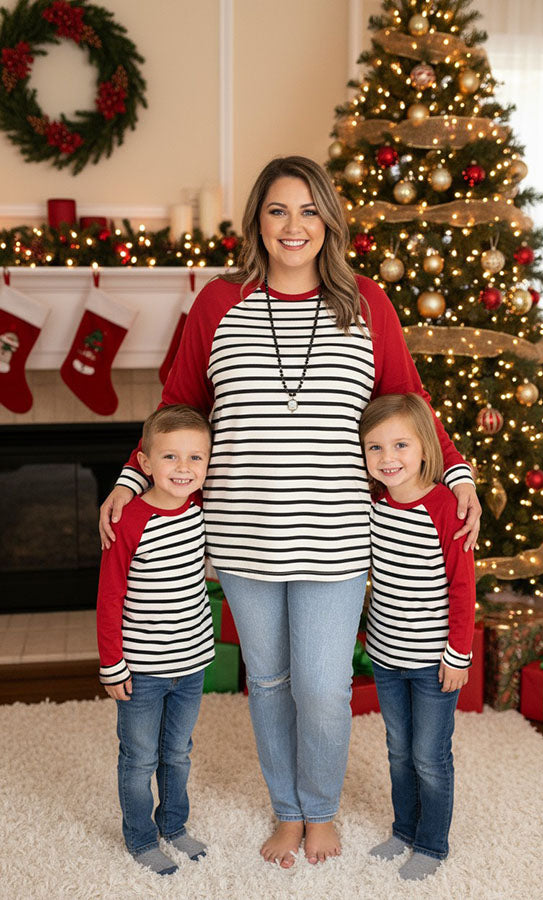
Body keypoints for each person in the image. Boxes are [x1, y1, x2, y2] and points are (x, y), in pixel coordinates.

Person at [99, 155, 481, 869]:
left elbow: (410, 400)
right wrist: (130, 478)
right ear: (258, 221)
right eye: (278, 210)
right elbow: (179, 406)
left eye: (309, 210)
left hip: (337, 538)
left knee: (323, 688)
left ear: (329, 221)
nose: (293, 225)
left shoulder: (366, 303)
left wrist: (455, 472)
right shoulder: (218, 302)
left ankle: (321, 809)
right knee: (270, 683)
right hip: (241, 537)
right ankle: (287, 810)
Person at [359, 393, 476, 882]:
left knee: (430, 755)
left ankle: (431, 843)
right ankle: (404, 830)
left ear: (425, 447)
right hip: (386, 657)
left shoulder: (446, 508)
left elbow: (463, 587)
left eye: (401, 445)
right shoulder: (373, 506)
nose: (388, 458)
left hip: (434, 662)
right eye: (375, 447)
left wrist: (458, 654)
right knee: (399, 750)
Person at [97, 404, 214, 876]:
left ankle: (173, 825)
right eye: (170, 457)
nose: (184, 468)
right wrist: (112, 664)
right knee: (139, 757)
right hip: (142, 669)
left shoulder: (200, 509)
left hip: (191, 663)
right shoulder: (128, 519)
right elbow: (110, 598)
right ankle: (141, 838)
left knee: (178, 753)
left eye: (195, 458)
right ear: (144, 463)